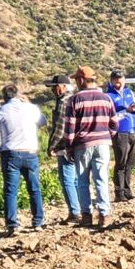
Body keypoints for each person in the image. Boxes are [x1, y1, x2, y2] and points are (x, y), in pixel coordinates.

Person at [61, 66, 121, 228]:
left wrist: (69, 148)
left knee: (82, 181)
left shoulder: (74, 100)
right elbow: (115, 123)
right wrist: (107, 135)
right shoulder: (106, 98)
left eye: (76, 79)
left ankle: (86, 215)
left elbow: (70, 129)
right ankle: (104, 214)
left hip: (83, 145)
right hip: (102, 144)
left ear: (81, 80)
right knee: (101, 179)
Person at [0, 82, 46, 234]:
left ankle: (13, 225)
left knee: (10, 191)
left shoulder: (0, 111)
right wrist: (31, 104)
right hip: (30, 152)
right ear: (18, 94)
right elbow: (43, 122)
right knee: (34, 188)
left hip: (11, 153)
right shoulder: (30, 108)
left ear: (4, 96)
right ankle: (38, 222)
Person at [46, 73, 85, 222]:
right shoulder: (76, 99)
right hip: (78, 145)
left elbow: (60, 128)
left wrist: (52, 146)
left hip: (65, 146)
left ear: (62, 87)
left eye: (54, 87)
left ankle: (74, 212)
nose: (53, 91)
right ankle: (82, 209)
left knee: (67, 179)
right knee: (76, 179)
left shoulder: (63, 103)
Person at [106, 70, 135, 203]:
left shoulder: (129, 93)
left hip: (132, 130)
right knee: (120, 162)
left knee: (130, 162)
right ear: (111, 81)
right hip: (120, 132)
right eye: (116, 80)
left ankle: (127, 190)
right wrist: (126, 111)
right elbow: (111, 117)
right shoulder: (108, 96)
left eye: (121, 80)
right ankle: (118, 192)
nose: (118, 83)